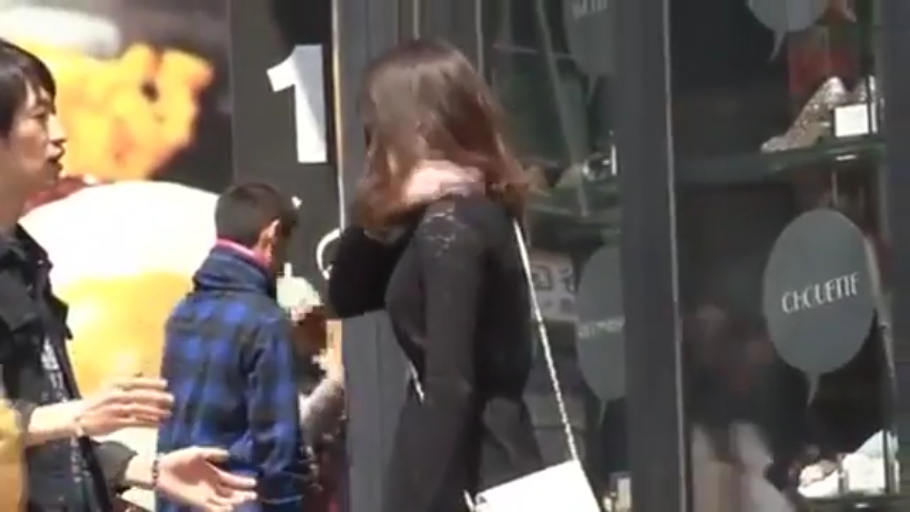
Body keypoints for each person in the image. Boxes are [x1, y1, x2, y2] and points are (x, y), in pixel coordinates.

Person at [0, 38, 257, 511]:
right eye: (40, 116)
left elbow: (45, 445)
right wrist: (78, 415)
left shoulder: (23, 256)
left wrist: (146, 470)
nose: (61, 133)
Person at [328, 38, 544, 512]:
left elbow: (451, 384)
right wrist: (395, 204)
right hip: (488, 459)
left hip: (465, 471)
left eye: (377, 127)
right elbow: (346, 295)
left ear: (415, 127)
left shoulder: (450, 225)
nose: (373, 144)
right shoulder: (469, 212)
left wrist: (418, 499)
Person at [156, 182, 311, 512]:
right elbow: (277, 444)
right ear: (272, 235)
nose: (283, 265)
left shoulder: (182, 313)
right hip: (238, 499)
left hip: (181, 500)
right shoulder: (265, 321)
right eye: (285, 249)